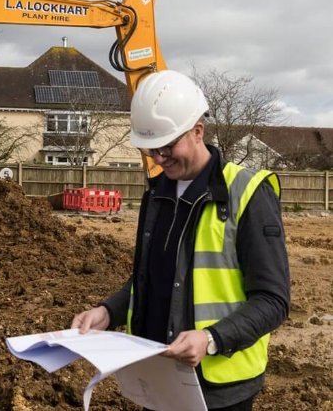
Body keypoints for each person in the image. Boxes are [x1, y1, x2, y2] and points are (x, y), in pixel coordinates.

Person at [71, 70, 290, 410]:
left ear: (198, 131)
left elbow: (273, 300)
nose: (158, 158)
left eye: (167, 145)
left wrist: (212, 339)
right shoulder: (158, 195)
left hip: (220, 389)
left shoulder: (246, 194)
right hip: (158, 376)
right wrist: (108, 310)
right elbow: (155, 275)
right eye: (151, 149)